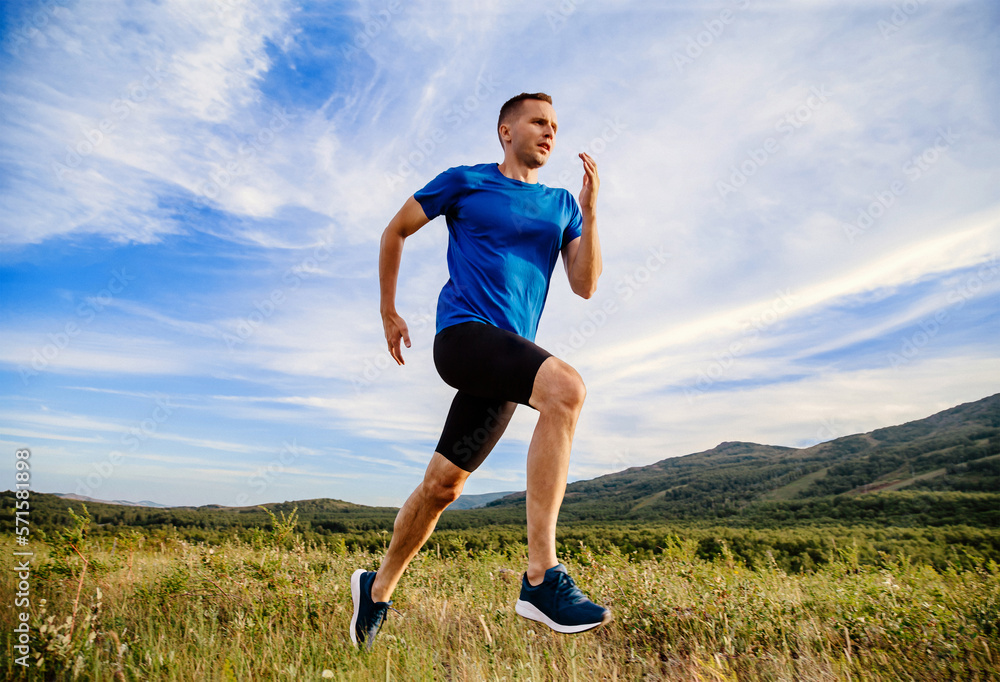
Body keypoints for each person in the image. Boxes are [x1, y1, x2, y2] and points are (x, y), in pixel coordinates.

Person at [350, 92, 609, 650]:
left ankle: (376, 589)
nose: (550, 133)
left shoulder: (562, 204)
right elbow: (394, 231)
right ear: (505, 130)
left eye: (556, 127)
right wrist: (388, 310)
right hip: (464, 338)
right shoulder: (465, 182)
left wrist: (590, 214)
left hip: (509, 360)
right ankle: (541, 577)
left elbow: (585, 285)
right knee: (566, 390)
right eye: (539, 122)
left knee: (443, 486)